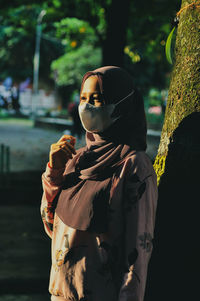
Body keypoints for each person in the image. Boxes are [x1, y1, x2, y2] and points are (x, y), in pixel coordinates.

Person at [40, 66, 158, 301]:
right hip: (59, 295)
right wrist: (54, 172)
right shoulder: (77, 159)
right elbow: (52, 225)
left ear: (121, 104)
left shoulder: (134, 166)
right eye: (83, 98)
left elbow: (137, 254)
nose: (87, 106)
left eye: (97, 99)